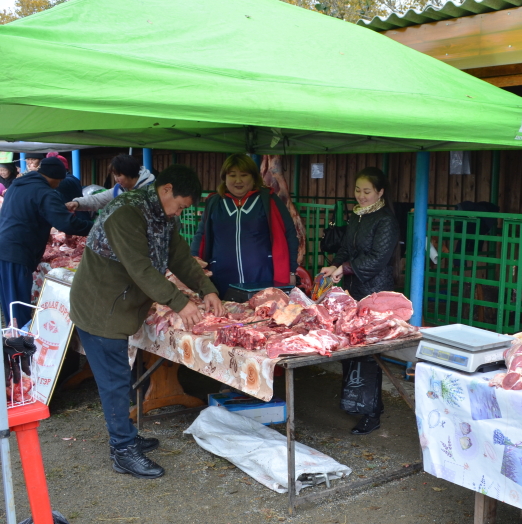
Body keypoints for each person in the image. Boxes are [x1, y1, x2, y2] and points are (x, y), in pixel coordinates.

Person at [70, 165, 223, 479]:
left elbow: (179, 255)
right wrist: (180, 303)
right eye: (180, 205)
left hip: (119, 306)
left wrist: (207, 289)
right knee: (114, 382)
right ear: (165, 189)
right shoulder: (125, 213)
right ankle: (123, 451)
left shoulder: (162, 215)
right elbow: (140, 268)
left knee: (120, 378)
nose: (180, 212)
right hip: (100, 307)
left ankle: (126, 436)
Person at [319, 167, 399, 435]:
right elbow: (344, 247)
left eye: (367, 191)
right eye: (357, 190)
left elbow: (378, 258)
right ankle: (360, 403)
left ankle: (371, 412)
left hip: (375, 293)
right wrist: (334, 266)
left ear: (380, 192)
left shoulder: (385, 220)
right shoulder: (357, 216)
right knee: (350, 347)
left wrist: (347, 268)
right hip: (353, 291)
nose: (361, 196)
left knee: (367, 354)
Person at [0, 158, 93, 327]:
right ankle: (20, 348)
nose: (59, 184)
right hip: (17, 252)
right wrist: (96, 227)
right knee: (18, 305)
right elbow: (66, 224)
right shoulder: (44, 192)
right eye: (59, 180)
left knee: (11, 304)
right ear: (56, 177)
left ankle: (14, 343)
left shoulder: (17, 185)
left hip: (5, 247)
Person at [191, 154, 298, 294]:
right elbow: (202, 235)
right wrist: (194, 259)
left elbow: (289, 234)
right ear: (224, 178)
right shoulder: (215, 203)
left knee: (261, 314)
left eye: (244, 175)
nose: (238, 180)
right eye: (232, 175)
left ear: (253, 177)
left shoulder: (268, 201)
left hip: (263, 276)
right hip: (222, 277)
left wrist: (291, 271)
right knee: (224, 314)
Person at [66, 154, 155, 213]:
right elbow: (98, 199)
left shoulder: (151, 190)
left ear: (129, 172)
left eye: (119, 175)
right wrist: (77, 203)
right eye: (114, 175)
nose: (116, 179)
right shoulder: (118, 190)